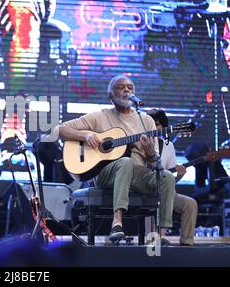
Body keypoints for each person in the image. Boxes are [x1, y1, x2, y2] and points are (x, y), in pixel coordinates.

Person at [57, 75, 176, 245]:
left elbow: (153, 162)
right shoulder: (100, 116)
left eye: (130, 87)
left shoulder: (147, 121)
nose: (126, 90)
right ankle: (117, 222)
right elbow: (60, 129)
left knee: (167, 177)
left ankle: (162, 234)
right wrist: (86, 134)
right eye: (120, 87)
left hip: (138, 175)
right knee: (125, 162)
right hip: (107, 174)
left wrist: (150, 151)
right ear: (110, 96)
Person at [147, 109, 197, 246]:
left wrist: (179, 176)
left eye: (156, 124)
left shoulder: (168, 146)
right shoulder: (139, 143)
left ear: (163, 127)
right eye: (149, 124)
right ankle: (156, 240)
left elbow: (170, 180)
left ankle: (186, 243)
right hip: (144, 190)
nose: (153, 128)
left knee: (190, 204)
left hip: (164, 192)